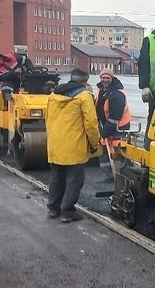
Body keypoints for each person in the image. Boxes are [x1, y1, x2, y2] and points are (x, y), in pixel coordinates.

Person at [46, 67, 101, 223]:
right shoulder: (84, 97)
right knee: (74, 180)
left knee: (57, 178)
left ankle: (53, 208)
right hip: (74, 146)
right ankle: (68, 212)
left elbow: (47, 119)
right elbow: (91, 124)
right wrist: (94, 143)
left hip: (55, 145)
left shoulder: (53, 95)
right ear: (84, 81)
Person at [95, 68, 131, 183]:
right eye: (103, 78)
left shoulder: (117, 94)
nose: (105, 80)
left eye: (107, 78)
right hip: (106, 125)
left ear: (112, 78)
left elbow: (115, 116)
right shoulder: (101, 91)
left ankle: (122, 177)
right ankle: (109, 176)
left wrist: (106, 131)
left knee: (118, 151)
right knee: (105, 151)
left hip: (119, 127)